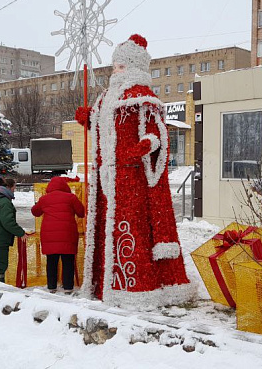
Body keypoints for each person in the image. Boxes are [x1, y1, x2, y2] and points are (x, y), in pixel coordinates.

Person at [75, 34, 194, 308]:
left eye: (120, 66)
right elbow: (105, 130)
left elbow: (157, 133)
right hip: (107, 176)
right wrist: (88, 118)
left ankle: (135, 286)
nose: (115, 71)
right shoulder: (106, 98)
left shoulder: (142, 97)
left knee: (131, 227)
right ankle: (104, 282)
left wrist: (146, 144)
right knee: (106, 229)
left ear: (134, 66)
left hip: (131, 178)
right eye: (114, 66)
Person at [31, 176, 85, 294]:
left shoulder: (44, 199)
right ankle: (68, 288)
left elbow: (35, 212)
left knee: (51, 261)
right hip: (68, 233)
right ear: (65, 186)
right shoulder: (71, 197)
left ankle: (51, 287)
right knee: (68, 261)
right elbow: (81, 213)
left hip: (49, 235)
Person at [0, 177, 29, 282]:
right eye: (13, 188)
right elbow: (8, 223)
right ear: (7, 187)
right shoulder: (4, 202)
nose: (14, 190)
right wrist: (21, 233)